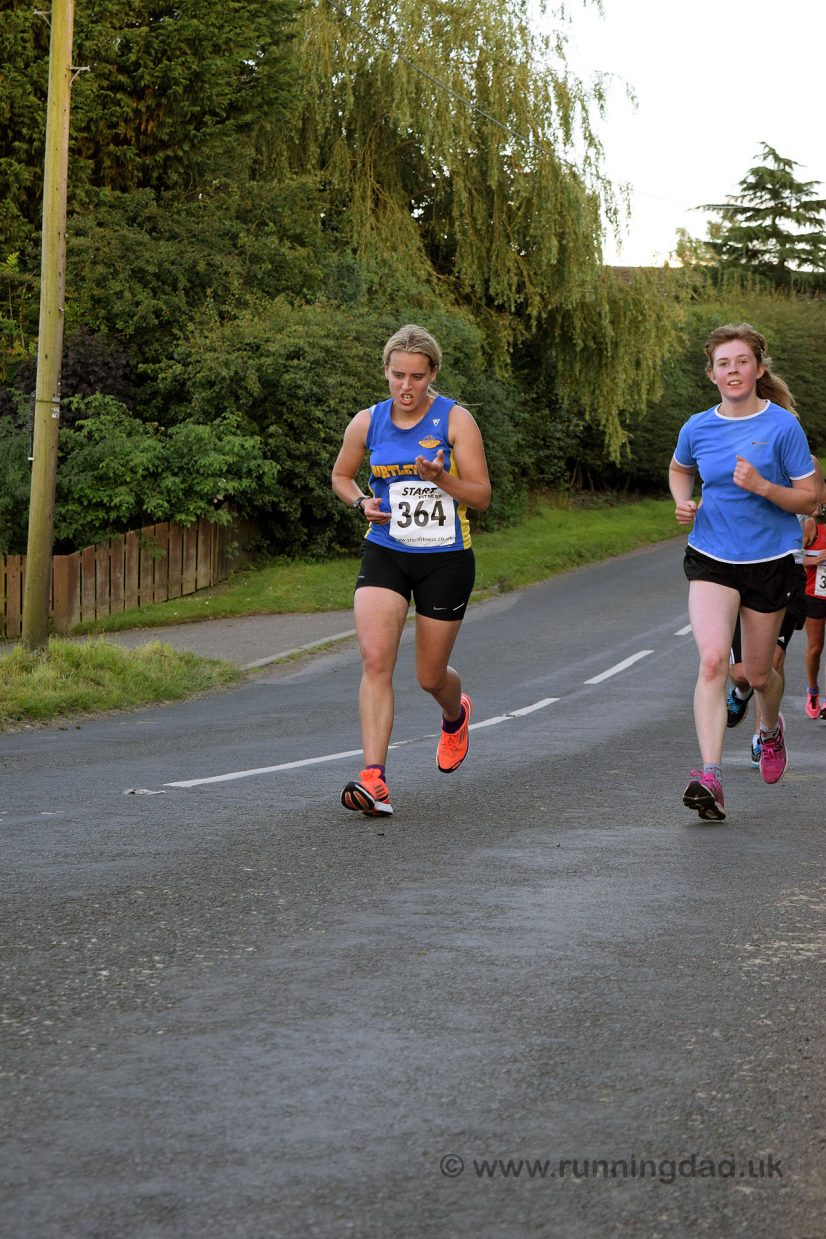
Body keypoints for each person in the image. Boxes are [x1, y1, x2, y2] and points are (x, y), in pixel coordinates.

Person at [331, 324, 491, 817]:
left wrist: (442, 476)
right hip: (387, 551)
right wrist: (362, 503)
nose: (406, 386)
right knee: (376, 660)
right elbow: (341, 475)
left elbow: (481, 496)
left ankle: (454, 712)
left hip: (445, 558)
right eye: (397, 375)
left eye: (416, 377)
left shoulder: (456, 421)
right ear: (385, 371)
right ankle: (374, 778)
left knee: (428, 676)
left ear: (432, 375)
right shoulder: (367, 422)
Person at [669, 323, 817, 821]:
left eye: (741, 361)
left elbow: (811, 496)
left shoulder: (783, 426)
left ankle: (770, 728)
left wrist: (763, 487)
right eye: (723, 364)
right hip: (711, 556)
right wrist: (683, 502)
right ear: (711, 374)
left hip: (770, 561)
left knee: (758, 673)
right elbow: (679, 467)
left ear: (758, 367)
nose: (733, 371)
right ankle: (710, 775)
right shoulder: (697, 427)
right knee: (713, 661)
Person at [802, 512, 826, 720]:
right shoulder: (811, 527)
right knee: (815, 648)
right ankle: (813, 691)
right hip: (815, 595)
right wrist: (818, 558)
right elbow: (795, 558)